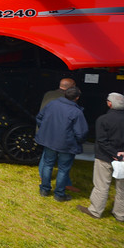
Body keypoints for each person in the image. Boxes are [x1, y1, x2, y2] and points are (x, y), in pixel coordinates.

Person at [35, 86, 88, 201]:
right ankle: (59, 194)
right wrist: (78, 141)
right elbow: (81, 133)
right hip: (67, 144)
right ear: (77, 98)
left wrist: (45, 131)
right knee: (63, 169)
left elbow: (39, 118)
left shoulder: (52, 104)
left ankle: (44, 189)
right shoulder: (76, 112)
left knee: (48, 164)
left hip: (50, 141)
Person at [77, 93, 124, 221]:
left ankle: (96, 211)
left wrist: (114, 154)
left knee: (101, 185)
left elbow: (102, 141)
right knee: (122, 188)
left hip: (104, 157)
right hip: (123, 158)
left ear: (109, 104)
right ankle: (120, 214)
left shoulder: (103, 119)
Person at [39, 78, 80, 192]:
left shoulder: (49, 94)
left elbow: (41, 116)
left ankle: (44, 181)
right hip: (59, 135)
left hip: (46, 131)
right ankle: (63, 186)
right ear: (71, 87)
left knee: (47, 159)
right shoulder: (66, 100)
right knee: (63, 165)